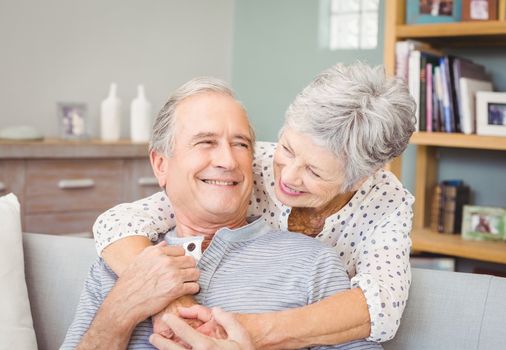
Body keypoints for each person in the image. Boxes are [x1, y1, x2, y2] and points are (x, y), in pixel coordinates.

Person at [94, 62, 416, 346]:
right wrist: (169, 300)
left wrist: (239, 332)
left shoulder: (385, 203)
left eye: (314, 171)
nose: (287, 177)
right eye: (287, 148)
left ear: (359, 179)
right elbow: (119, 222)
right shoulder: (247, 162)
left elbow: (380, 308)